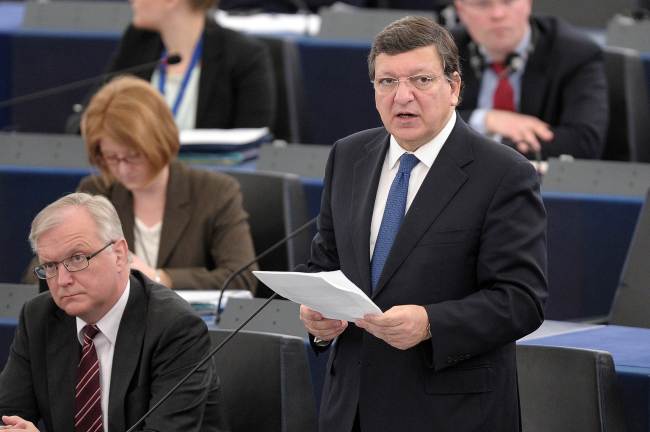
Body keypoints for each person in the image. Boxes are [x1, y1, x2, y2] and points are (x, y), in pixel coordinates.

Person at [298, 16, 547, 431]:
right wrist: (319, 320)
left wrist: (432, 323)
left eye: (421, 80)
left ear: (454, 87)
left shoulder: (504, 173)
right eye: (387, 82)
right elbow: (326, 265)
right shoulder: (348, 156)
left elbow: (521, 300)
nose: (403, 97)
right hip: (352, 410)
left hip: (451, 413)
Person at [0, 193, 227, 432]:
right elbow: (7, 415)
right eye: (50, 266)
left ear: (119, 254)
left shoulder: (175, 327)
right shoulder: (39, 317)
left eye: (77, 258)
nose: (63, 280)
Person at [78, 76, 257, 292]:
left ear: (160, 141)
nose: (122, 169)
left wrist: (159, 278)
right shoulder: (96, 192)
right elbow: (44, 270)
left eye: (133, 156)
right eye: (112, 157)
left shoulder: (215, 192)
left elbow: (242, 278)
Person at [69, 0, 275, 132]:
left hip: (208, 190)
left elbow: (252, 145)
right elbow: (84, 121)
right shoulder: (138, 41)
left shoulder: (243, 56)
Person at [451, 0, 608, 159]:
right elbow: (427, 124)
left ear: (528, 3)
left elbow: (584, 142)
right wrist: (484, 119)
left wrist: (491, 144)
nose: (498, 14)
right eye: (482, 4)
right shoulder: (442, 51)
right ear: (460, 10)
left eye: (508, 1)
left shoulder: (575, 53)